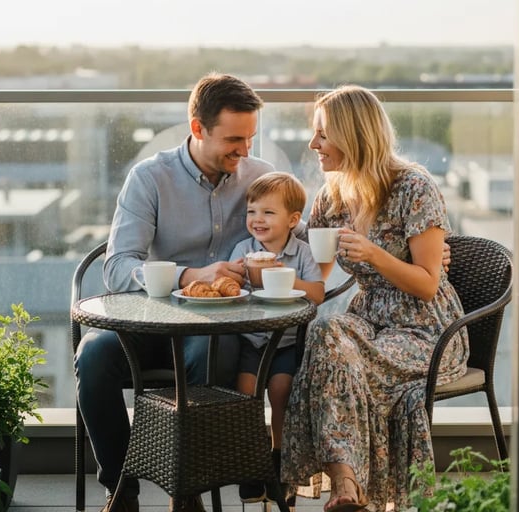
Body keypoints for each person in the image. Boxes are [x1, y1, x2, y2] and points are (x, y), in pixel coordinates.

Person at [74, 72, 280, 512]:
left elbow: (302, 232)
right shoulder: (150, 178)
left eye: (250, 139)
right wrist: (189, 275)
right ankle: (120, 489)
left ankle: (186, 490)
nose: (244, 151)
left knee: (213, 354)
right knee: (92, 356)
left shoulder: (261, 178)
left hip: (217, 330)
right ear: (197, 129)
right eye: (233, 140)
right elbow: (116, 267)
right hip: (151, 321)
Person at [281, 85, 469, 512]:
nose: (313, 145)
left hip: (427, 328)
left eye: (323, 135)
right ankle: (347, 485)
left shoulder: (414, 187)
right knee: (326, 332)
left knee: (335, 364)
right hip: (369, 320)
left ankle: (346, 487)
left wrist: (375, 255)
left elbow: (426, 284)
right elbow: (317, 270)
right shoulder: (332, 196)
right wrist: (257, 262)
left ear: (354, 135)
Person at [228, 172, 325, 504]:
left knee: (282, 390)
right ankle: (252, 462)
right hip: (251, 340)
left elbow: (317, 293)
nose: (257, 219)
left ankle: (279, 457)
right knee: (246, 392)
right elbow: (232, 291)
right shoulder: (243, 250)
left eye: (268, 213)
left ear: (293, 220)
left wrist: (287, 278)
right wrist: (237, 275)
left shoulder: (301, 253)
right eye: (252, 211)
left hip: (285, 342)